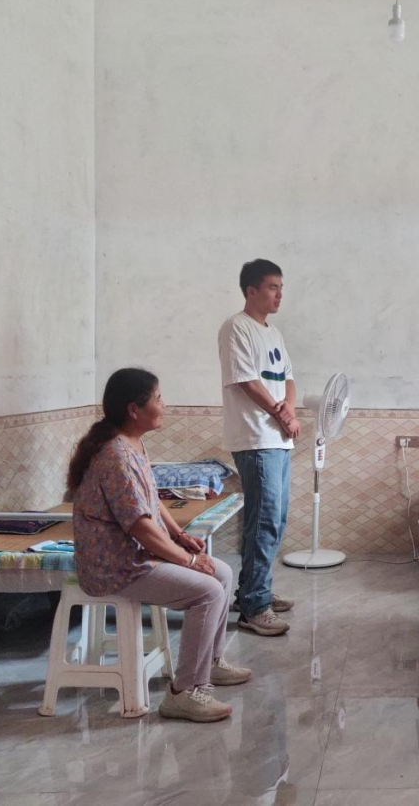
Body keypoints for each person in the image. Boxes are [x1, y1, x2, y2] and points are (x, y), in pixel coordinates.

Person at [69, 368, 251, 723]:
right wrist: (187, 560)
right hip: (116, 566)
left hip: (136, 556)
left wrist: (180, 536)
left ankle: (209, 664)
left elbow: (151, 500)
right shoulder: (116, 456)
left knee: (223, 573)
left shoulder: (133, 444)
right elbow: (140, 528)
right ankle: (184, 693)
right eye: (158, 398)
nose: (164, 404)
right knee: (208, 592)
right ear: (134, 410)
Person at [218, 258, 300, 636]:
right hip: (255, 437)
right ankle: (254, 607)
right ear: (251, 291)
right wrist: (282, 415)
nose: (279, 294)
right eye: (271, 287)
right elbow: (247, 381)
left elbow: (289, 379)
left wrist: (290, 410)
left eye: (281, 288)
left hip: (278, 438)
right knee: (263, 520)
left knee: (274, 519)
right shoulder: (236, 328)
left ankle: (254, 591)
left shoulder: (273, 332)